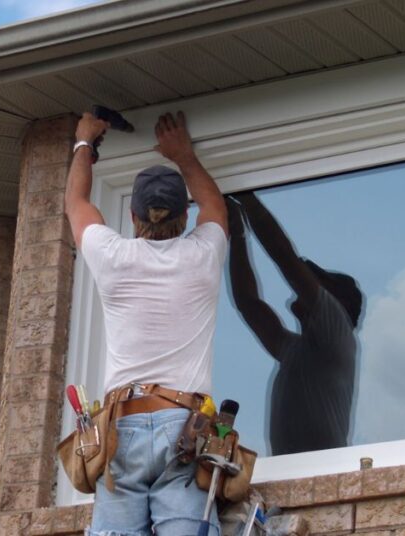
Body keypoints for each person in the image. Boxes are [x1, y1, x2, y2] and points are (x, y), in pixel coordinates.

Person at [65, 110, 229, 536]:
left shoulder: (113, 256)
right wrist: (184, 156)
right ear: (183, 216)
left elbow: (77, 205)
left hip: (123, 428)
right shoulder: (202, 256)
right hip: (184, 427)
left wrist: (84, 142)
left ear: (134, 217)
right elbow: (215, 205)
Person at [226, 193, 363, 456]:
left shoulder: (338, 329)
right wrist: (237, 232)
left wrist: (246, 195)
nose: (307, 284)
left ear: (335, 301)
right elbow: (248, 302)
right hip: (295, 472)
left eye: (317, 281)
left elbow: (285, 258)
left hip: (323, 474)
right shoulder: (299, 352)